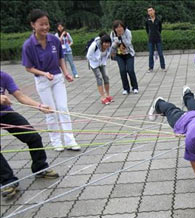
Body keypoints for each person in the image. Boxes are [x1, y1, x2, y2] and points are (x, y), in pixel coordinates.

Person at [22, 9, 80, 152]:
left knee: (63, 108)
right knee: (50, 111)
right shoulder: (28, 45)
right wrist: (43, 73)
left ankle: (70, 140)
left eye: (47, 24)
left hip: (57, 78)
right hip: (42, 80)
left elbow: (61, 58)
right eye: (41, 24)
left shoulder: (54, 40)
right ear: (33, 25)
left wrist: (66, 73)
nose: (45, 27)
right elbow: (28, 68)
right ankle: (56, 141)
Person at [1, 71, 59, 199]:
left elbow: (20, 96)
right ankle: (8, 181)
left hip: (5, 114)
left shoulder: (4, 76)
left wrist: (40, 106)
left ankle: (40, 168)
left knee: (33, 137)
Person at [110, 20, 139, 95]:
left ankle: (135, 87)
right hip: (119, 55)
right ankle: (126, 88)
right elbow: (112, 46)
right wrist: (116, 41)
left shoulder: (127, 32)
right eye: (117, 27)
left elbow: (128, 43)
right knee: (122, 71)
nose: (119, 29)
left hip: (129, 53)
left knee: (130, 70)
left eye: (120, 27)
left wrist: (122, 36)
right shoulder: (113, 34)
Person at [86, 33, 113, 105]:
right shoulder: (94, 46)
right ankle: (103, 97)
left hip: (102, 62)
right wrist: (96, 60)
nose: (106, 45)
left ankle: (107, 95)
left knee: (106, 77)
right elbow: (88, 56)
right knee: (99, 77)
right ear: (102, 42)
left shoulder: (109, 46)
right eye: (105, 43)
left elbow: (107, 55)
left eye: (108, 43)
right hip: (94, 64)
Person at [145, 6, 166, 72]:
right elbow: (147, 30)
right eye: (148, 11)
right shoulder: (147, 21)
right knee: (151, 54)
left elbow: (160, 29)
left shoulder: (158, 20)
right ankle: (151, 68)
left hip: (158, 39)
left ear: (154, 11)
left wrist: (157, 34)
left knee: (160, 53)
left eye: (151, 10)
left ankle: (163, 67)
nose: (150, 12)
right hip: (151, 39)